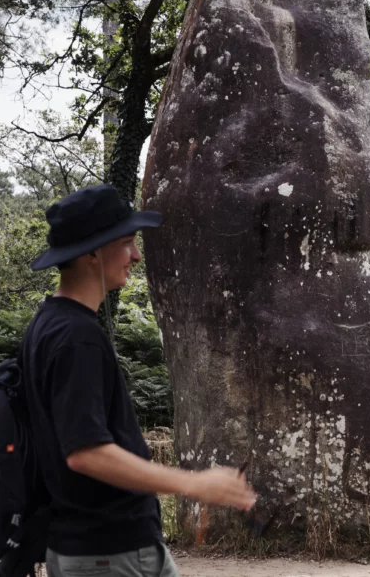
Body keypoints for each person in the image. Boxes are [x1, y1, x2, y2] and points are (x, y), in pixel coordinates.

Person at [22, 184, 257, 577]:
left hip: (100, 548)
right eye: (128, 243)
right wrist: (194, 484)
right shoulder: (77, 338)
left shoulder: (48, 325)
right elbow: (86, 452)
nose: (135, 255)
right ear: (93, 252)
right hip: (109, 553)